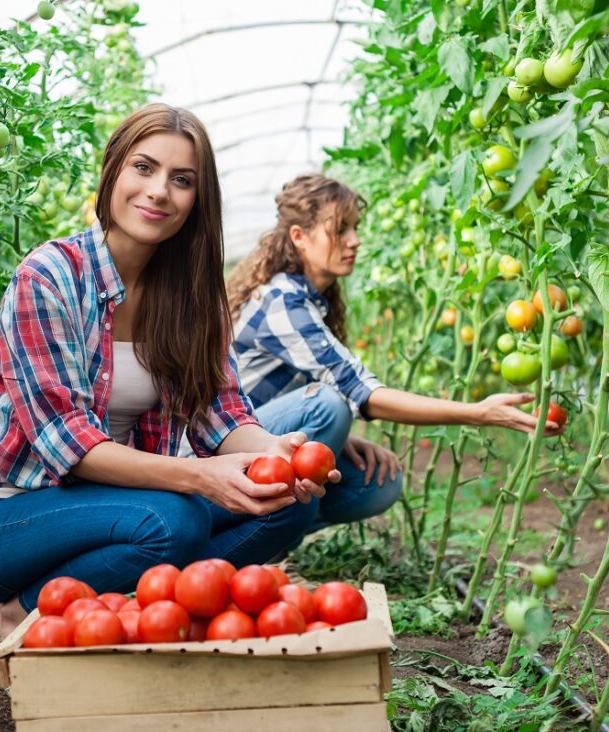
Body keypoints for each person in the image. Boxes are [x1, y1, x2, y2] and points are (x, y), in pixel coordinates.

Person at [0, 106, 337, 651]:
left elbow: (221, 413)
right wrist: (202, 478)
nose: (159, 191)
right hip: (10, 514)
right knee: (172, 521)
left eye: (182, 180)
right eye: (144, 167)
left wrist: (275, 452)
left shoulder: (191, 300)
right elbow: (71, 445)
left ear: (197, 201)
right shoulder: (49, 277)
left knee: (285, 503)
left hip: (113, 502)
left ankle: (140, 609)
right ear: (113, 172)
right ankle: (23, 606)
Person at [226, 174, 563, 547]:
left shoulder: (310, 298)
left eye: (355, 227)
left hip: (260, 438)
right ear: (299, 237)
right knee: (327, 407)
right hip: (223, 448)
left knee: (378, 483)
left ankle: (255, 535)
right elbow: (361, 392)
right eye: (340, 229)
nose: (355, 240)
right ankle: (248, 534)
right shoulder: (284, 300)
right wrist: (479, 412)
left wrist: (340, 439)